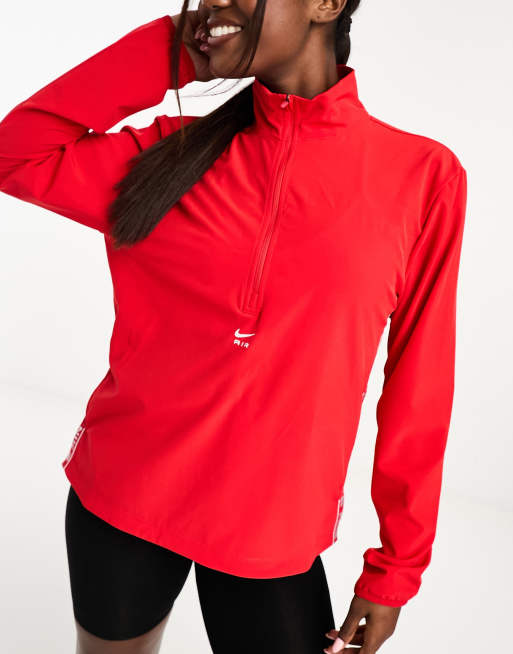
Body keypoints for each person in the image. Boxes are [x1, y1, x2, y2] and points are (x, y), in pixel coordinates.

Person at [0, 1, 467, 653]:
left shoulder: (420, 177)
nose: (214, 1)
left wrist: (396, 567)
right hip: (123, 499)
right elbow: (14, 154)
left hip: (273, 530)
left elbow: (420, 384)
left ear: (326, 4)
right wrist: (175, 51)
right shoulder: (164, 157)